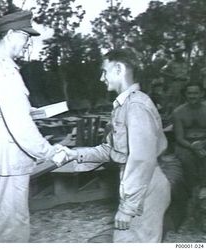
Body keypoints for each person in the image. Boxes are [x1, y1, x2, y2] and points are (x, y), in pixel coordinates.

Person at [56, 49, 171, 242]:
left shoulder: (136, 105)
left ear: (118, 69)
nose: (102, 78)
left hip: (144, 185)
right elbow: (111, 149)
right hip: (137, 183)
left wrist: (128, 208)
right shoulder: (124, 105)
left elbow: (142, 159)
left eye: (104, 71)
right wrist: (73, 154)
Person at [0, 10, 61, 243]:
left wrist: (28, 111)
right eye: (25, 37)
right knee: (11, 229)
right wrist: (51, 152)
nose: (28, 44)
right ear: (10, 35)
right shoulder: (4, 71)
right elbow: (19, 127)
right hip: (6, 158)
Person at [173, 82, 206, 228]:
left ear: (202, 94)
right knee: (187, 162)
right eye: (190, 93)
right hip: (185, 145)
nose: (193, 96)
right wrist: (193, 147)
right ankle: (192, 201)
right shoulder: (178, 112)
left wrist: (202, 145)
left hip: (204, 143)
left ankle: (203, 200)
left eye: (196, 93)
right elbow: (179, 137)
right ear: (185, 95)